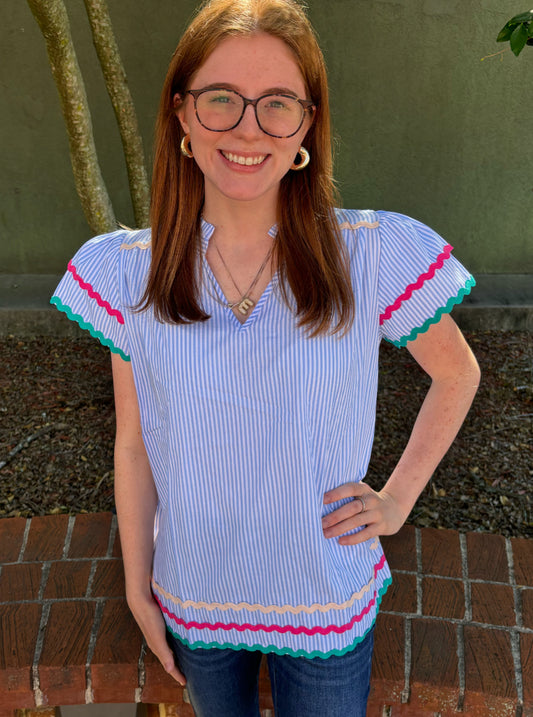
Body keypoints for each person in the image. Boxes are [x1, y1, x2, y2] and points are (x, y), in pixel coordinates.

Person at [51, 0, 480, 714]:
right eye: (221, 99)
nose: (248, 127)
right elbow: (134, 440)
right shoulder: (128, 271)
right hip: (194, 589)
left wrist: (397, 498)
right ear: (181, 115)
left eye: (276, 103)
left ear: (306, 123)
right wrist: (136, 581)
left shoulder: (370, 254)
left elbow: (456, 371)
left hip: (321, 589)